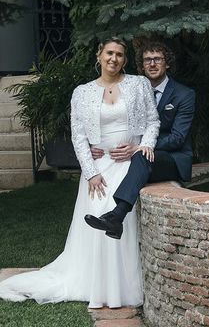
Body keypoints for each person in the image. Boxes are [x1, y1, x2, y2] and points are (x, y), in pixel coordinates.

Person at [0, 37, 159, 308]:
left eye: (120, 54)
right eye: (109, 53)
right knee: (97, 221)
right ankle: (97, 283)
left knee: (123, 221)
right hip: (99, 169)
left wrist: (142, 146)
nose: (114, 59)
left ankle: (121, 287)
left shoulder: (138, 84)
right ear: (99, 56)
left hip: (128, 164)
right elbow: (78, 136)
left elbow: (152, 122)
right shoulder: (82, 92)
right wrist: (91, 172)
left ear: (125, 59)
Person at [84, 41, 195, 238]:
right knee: (135, 158)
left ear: (166, 63)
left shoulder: (184, 94)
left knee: (141, 156)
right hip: (135, 156)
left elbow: (177, 138)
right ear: (141, 65)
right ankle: (114, 221)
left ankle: (116, 215)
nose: (152, 64)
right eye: (147, 60)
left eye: (157, 59)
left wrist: (140, 146)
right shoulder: (133, 89)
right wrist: (99, 147)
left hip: (171, 158)